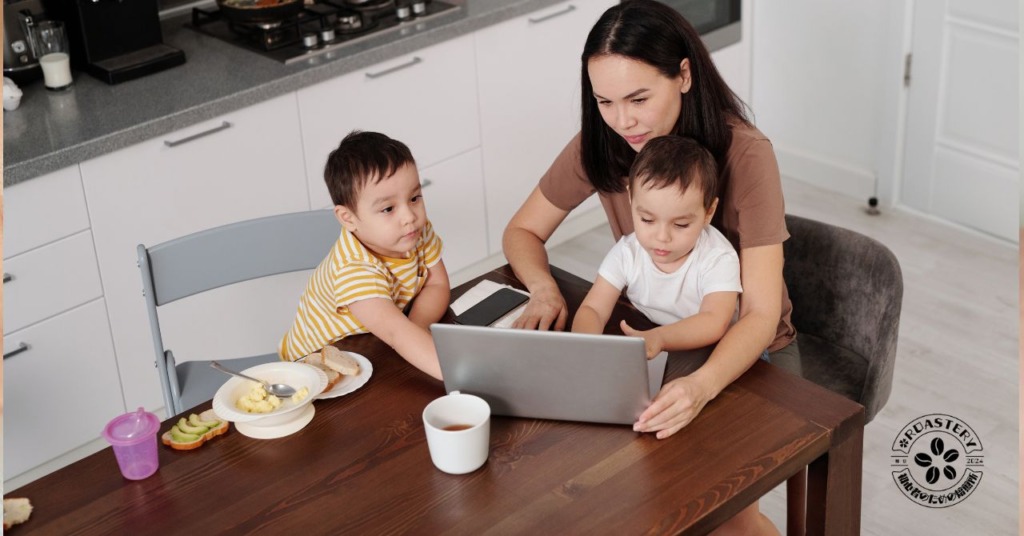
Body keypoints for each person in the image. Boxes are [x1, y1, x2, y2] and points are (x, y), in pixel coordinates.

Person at [502, 1, 797, 533]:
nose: (623, 121)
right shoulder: (604, 142)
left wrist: (702, 386)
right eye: (605, 102)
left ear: (683, 75)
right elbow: (521, 230)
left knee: (726, 513)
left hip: (749, 348)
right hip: (651, 336)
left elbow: (759, 313)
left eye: (638, 99)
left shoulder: (747, 154)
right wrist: (543, 289)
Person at [279, 130, 450, 380]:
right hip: (314, 367)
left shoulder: (414, 233)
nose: (409, 216)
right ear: (348, 218)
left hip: (373, 345)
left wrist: (417, 325)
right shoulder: (354, 268)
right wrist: (466, 379)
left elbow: (437, 283)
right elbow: (396, 334)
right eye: (388, 209)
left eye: (414, 198)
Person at [572, 136, 741, 358]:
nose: (662, 237)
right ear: (631, 198)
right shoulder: (628, 252)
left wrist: (659, 338)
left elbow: (714, 321)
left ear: (709, 211)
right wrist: (583, 348)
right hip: (656, 337)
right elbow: (593, 308)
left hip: (718, 348)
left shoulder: (718, 257)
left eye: (681, 224)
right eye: (648, 220)